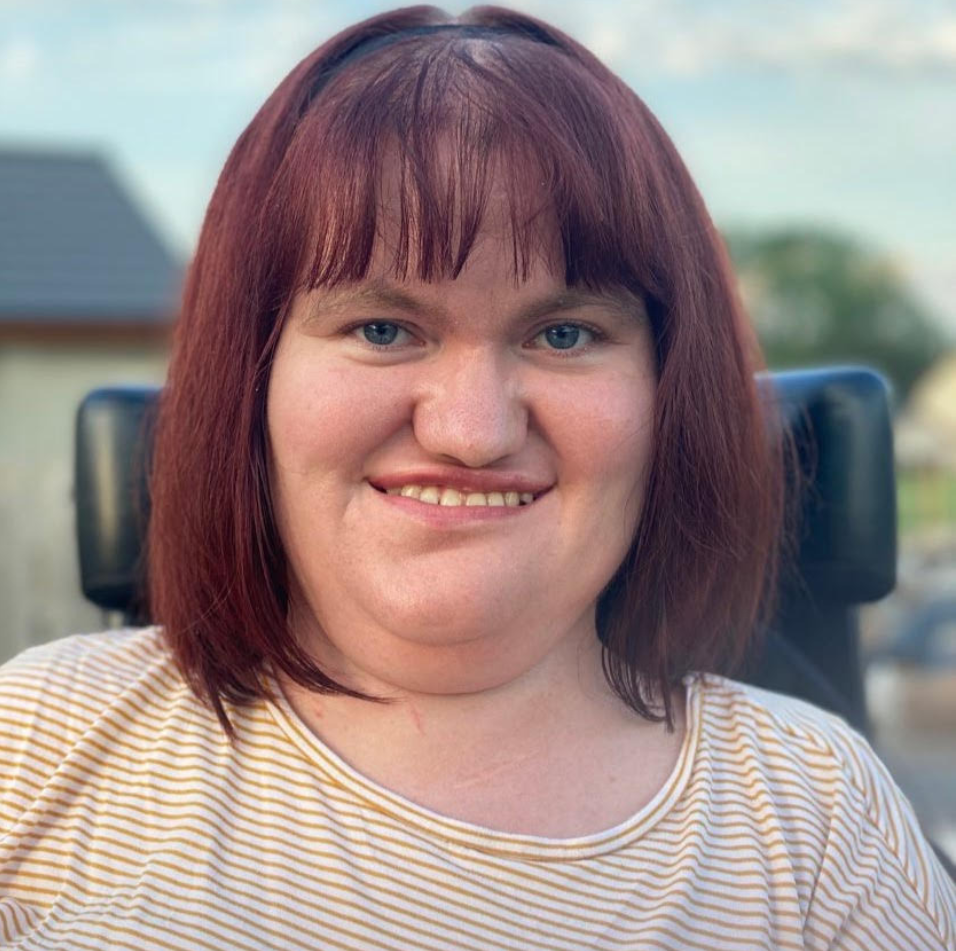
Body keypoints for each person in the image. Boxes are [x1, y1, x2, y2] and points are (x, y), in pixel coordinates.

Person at [1, 6, 954, 950]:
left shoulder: (818, 817)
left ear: (668, 395)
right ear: (249, 380)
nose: (471, 431)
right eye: (383, 328)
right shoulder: (36, 746)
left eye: (565, 333)